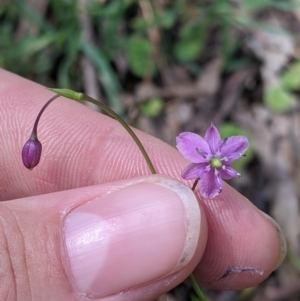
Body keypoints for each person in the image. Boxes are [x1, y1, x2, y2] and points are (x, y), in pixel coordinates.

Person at [0, 69, 286, 301]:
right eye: (214, 162)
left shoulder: (208, 175)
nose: (217, 165)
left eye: (219, 164)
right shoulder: (199, 158)